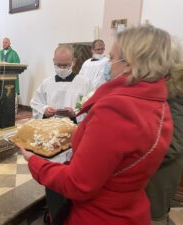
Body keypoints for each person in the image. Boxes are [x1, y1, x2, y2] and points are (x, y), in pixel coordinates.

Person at [19, 25, 178, 225]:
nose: (108, 65)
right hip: (131, 210)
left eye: (111, 58)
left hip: (99, 216)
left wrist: (34, 161)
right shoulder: (159, 105)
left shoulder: (117, 109)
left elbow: (79, 184)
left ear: (130, 63)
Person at [146, 61, 183, 225]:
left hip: (160, 176)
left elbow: (172, 145)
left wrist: (133, 154)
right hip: (160, 174)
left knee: (156, 218)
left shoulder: (174, 98)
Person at [30, 45, 91, 122]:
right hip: (51, 126)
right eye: (58, 65)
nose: (62, 69)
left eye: (65, 65)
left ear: (73, 62)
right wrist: (45, 111)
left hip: (75, 127)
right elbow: (36, 103)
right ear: (54, 61)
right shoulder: (46, 83)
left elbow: (89, 108)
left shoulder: (84, 83)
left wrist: (74, 115)